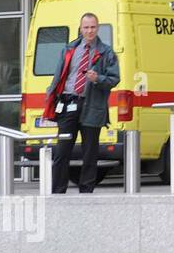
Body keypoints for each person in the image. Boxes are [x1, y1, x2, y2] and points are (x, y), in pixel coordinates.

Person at [44, 13, 120, 194]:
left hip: (91, 106)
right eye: (86, 27)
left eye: (93, 27)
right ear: (80, 29)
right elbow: (58, 76)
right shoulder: (69, 49)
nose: (89, 31)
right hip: (68, 103)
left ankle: (86, 191)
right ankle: (57, 190)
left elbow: (114, 79)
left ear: (98, 28)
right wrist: (51, 97)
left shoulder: (106, 52)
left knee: (90, 152)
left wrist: (98, 78)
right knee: (62, 151)